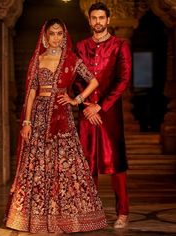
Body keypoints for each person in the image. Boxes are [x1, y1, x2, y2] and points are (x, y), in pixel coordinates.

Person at [4, 18, 107, 233]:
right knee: (38, 165)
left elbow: (94, 80)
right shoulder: (37, 60)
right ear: (45, 36)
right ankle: (34, 217)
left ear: (64, 36)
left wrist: (76, 100)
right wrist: (26, 122)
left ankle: (68, 217)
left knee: (65, 165)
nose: (56, 37)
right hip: (39, 117)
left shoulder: (71, 59)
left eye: (60, 33)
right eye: (52, 33)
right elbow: (31, 92)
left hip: (62, 117)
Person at [74, 2, 132, 229]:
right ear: (89, 21)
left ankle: (123, 212)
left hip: (108, 114)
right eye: (94, 18)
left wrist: (101, 106)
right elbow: (76, 79)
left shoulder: (120, 46)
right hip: (87, 114)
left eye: (101, 18)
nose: (98, 22)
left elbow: (123, 79)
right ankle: (91, 213)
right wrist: (87, 105)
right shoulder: (80, 46)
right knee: (88, 164)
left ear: (108, 20)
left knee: (115, 164)